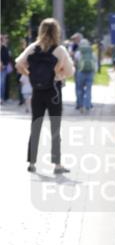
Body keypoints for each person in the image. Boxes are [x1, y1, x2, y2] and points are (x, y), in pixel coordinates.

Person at [16, 18, 74, 174]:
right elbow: (70, 72)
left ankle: (32, 162)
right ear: (56, 32)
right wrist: (58, 72)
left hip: (37, 91)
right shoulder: (60, 50)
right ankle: (57, 164)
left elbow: (19, 63)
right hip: (54, 91)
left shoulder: (33, 48)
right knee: (55, 127)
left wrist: (30, 74)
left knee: (36, 125)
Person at [74, 35, 96, 113]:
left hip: (80, 72)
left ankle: (81, 105)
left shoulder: (78, 52)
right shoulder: (91, 52)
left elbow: (76, 62)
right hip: (90, 72)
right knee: (88, 90)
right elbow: (94, 62)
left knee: (80, 89)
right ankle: (88, 105)